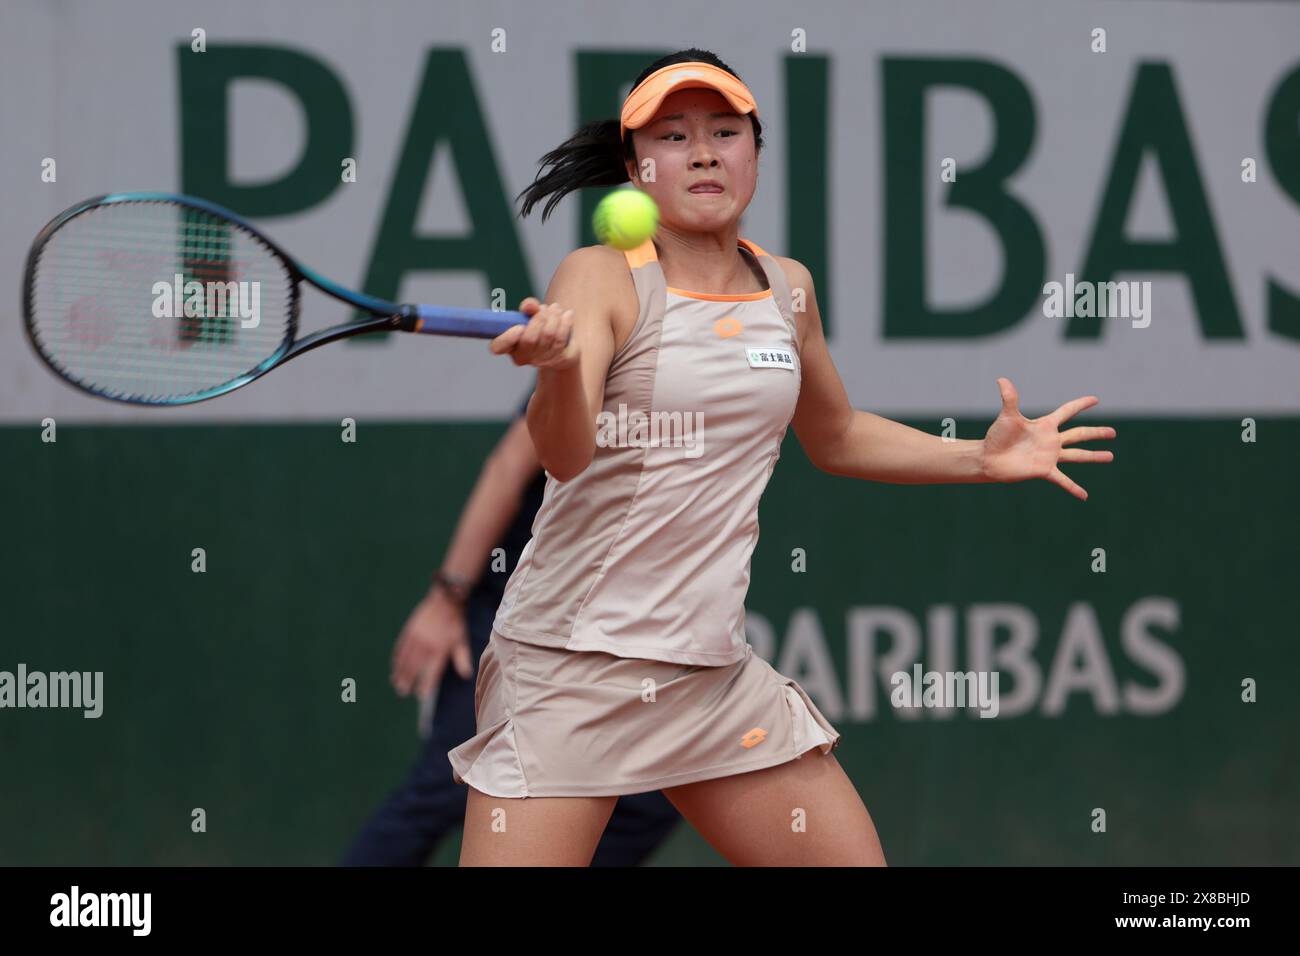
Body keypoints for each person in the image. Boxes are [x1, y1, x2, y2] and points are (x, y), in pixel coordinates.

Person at [450, 49, 1116, 866]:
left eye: (724, 132)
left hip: (710, 674)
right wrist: (557, 375)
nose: (702, 152)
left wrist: (980, 455)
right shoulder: (599, 277)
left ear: (754, 153)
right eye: (673, 135)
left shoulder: (787, 288)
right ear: (636, 168)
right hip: (571, 668)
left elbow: (833, 436)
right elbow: (566, 451)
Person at [341, 390, 681, 866]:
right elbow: (509, 465)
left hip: (618, 627)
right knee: (445, 789)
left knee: (652, 800)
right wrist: (446, 599)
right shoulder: (611, 329)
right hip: (520, 617)